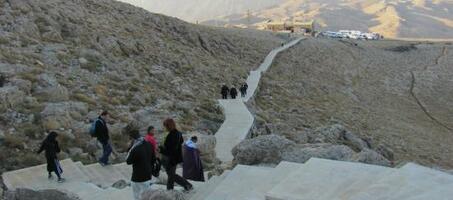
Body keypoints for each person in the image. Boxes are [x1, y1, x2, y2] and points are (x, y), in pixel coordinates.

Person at [159, 118, 193, 191]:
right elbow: (178, 144)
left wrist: (161, 149)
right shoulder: (178, 133)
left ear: (168, 126)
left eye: (165, 126)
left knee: (171, 176)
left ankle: (186, 185)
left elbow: (170, 150)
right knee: (171, 175)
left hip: (170, 159)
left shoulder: (171, 135)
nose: (164, 128)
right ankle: (173, 189)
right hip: (174, 158)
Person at [126, 129, 156, 200]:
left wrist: (130, 148)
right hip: (148, 174)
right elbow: (153, 159)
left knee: (137, 196)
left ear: (132, 139)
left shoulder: (134, 149)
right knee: (148, 196)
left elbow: (128, 161)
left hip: (137, 176)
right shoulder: (149, 144)